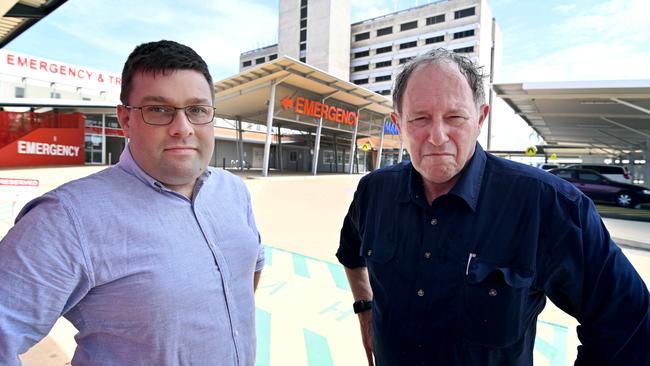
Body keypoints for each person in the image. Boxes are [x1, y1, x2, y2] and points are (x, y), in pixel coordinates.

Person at [336, 48, 650, 365]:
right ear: (398, 124)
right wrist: (365, 307)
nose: (436, 136)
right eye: (419, 118)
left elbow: (629, 323)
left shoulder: (548, 204)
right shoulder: (373, 191)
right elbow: (351, 252)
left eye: (454, 117)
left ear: (480, 119)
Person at [0, 40, 264, 365]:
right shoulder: (67, 218)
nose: (182, 128)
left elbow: (250, 267)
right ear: (125, 119)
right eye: (159, 110)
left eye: (196, 110)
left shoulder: (233, 191)